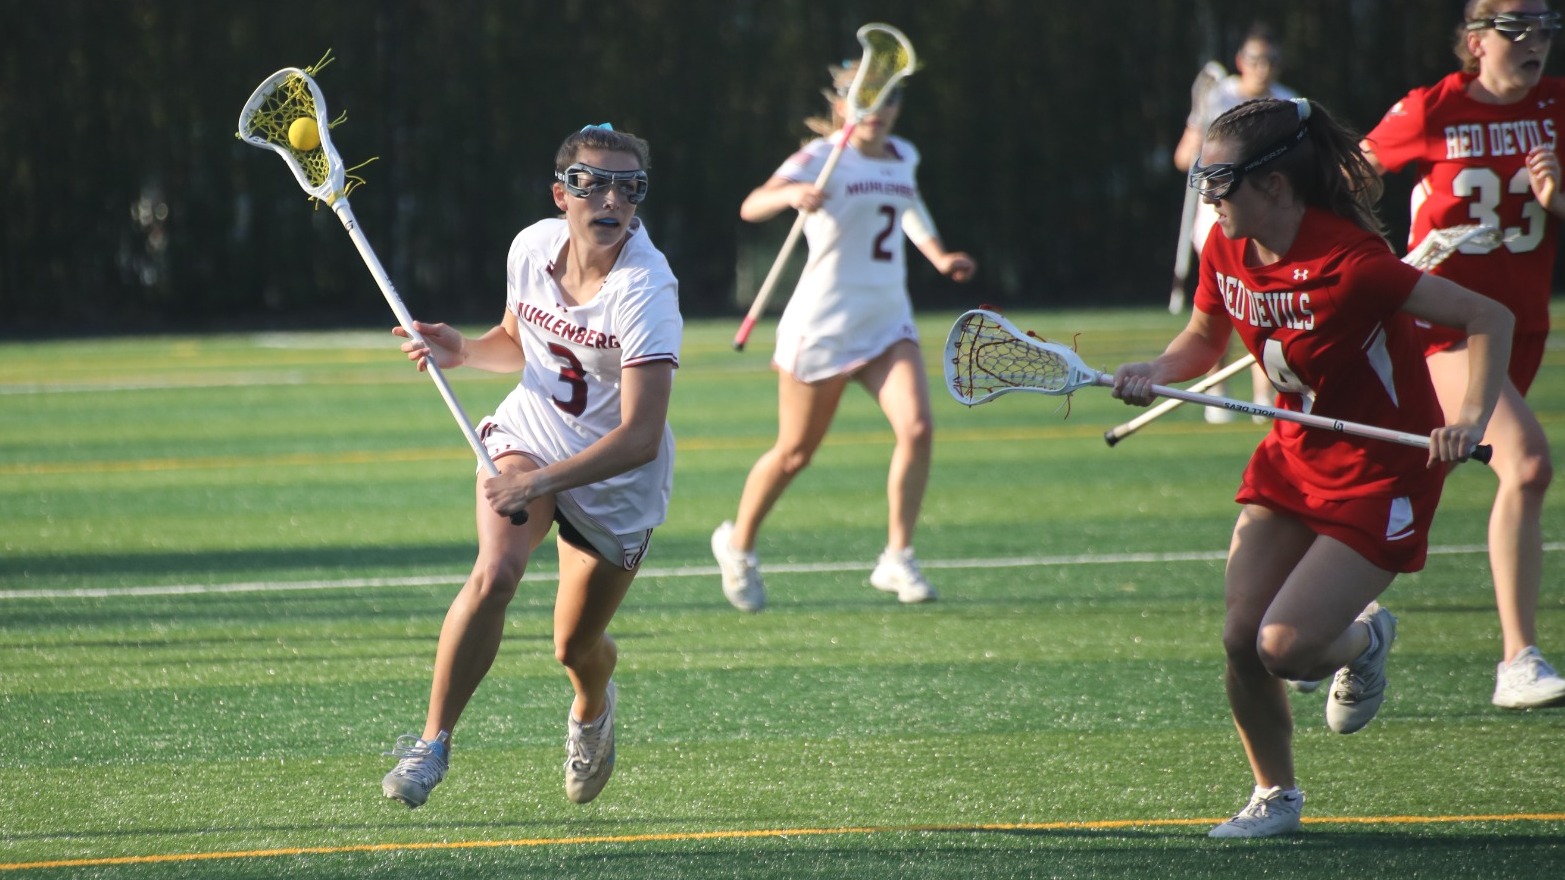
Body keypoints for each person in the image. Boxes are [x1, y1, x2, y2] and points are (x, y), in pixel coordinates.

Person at [1115, 97, 1513, 838]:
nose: (1208, 197)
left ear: (1273, 185)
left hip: (1381, 470)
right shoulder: (1223, 246)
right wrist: (1153, 368)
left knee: (1284, 647)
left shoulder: (1351, 264)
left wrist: (1465, 422)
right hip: (1292, 457)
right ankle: (1275, 795)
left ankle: (1365, 640)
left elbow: (1489, 316)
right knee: (1240, 638)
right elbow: (1200, 343)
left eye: (1220, 183)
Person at [379, 124, 682, 809]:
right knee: (496, 573)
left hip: (615, 482)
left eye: (628, 189)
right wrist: (459, 349)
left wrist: (539, 482)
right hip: (532, 433)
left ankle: (592, 707)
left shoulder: (645, 292)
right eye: (592, 184)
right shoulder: (531, 246)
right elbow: (518, 344)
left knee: (575, 648)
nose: (611, 200)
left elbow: (639, 436)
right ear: (560, 193)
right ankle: (431, 745)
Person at [710, 60, 976, 612]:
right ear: (843, 104)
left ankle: (897, 557)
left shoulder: (905, 156)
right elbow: (751, 204)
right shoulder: (819, 157)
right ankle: (738, 546)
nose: (879, 113)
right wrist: (791, 196)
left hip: (886, 321)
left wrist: (939, 255)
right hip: (822, 326)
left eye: (890, 102)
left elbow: (908, 207)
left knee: (919, 428)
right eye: (867, 101)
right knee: (794, 454)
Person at [1359, 0, 1565, 710]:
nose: (1534, 43)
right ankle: (1517, 660)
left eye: (1544, 30)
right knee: (1528, 463)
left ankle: (1331, 626)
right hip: (1443, 324)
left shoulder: (1557, 107)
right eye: (1517, 31)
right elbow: (1349, 178)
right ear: (1475, 42)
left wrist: (1557, 198)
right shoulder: (1430, 109)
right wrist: (1376, 260)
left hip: (1518, 326)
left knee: (1419, 476)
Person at [1174, 23, 1299, 424]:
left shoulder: (1285, 104)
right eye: (1257, 60)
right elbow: (1184, 158)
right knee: (1224, 302)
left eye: (1272, 61)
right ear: (1241, 62)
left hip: (1267, 219)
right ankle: (1218, 390)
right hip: (1217, 217)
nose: (1264, 69)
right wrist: (1200, 147)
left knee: (1268, 301)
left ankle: (1266, 391)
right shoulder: (1218, 96)